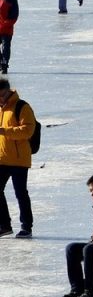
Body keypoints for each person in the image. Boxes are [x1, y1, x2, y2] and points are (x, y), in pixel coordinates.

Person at [0, 79, 36, 238]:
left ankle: (26, 226)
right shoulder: (0, 108)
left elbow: (27, 131)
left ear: (8, 91)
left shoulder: (22, 107)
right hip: (2, 158)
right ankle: (5, 225)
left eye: (1, 95)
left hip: (19, 160)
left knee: (20, 193)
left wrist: (5, 131)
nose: (0, 99)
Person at [0, 0, 16, 74]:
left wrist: (6, 24)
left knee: (6, 48)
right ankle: (1, 62)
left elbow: (14, 15)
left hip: (6, 29)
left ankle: (4, 65)